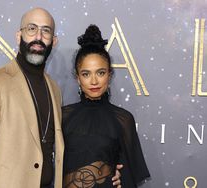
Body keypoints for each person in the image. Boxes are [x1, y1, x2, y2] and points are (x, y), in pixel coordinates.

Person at [0, 8, 121, 188]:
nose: (38, 36)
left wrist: (108, 169)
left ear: (54, 40)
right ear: (19, 36)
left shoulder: (54, 88)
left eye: (46, 30)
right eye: (31, 28)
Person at [62, 25, 150, 188]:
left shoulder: (123, 119)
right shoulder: (63, 116)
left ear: (109, 75)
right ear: (77, 77)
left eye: (100, 73)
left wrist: (119, 177)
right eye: (86, 74)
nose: (94, 81)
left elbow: (128, 175)